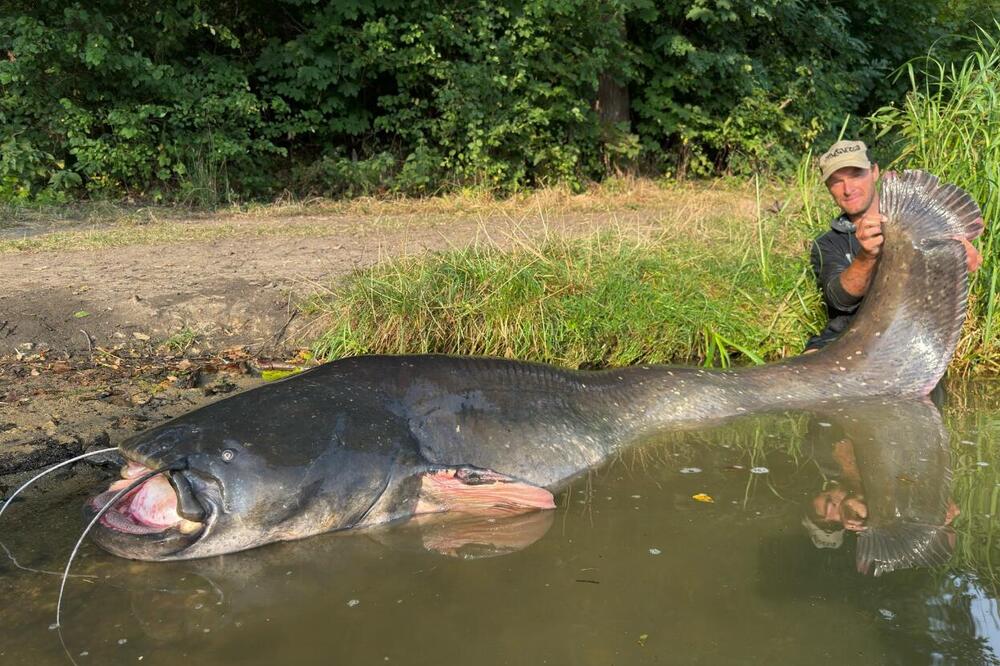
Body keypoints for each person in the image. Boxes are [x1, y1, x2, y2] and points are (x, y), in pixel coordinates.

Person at [805, 140, 982, 351]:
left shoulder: (918, 220)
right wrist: (867, 256)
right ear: (828, 188)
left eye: (856, 174)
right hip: (844, 340)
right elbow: (838, 299)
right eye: (836, 181)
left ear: (874, 172)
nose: (848, 188)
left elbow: (970, 263)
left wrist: (958, 256)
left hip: (911, 338)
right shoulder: (827, 243)